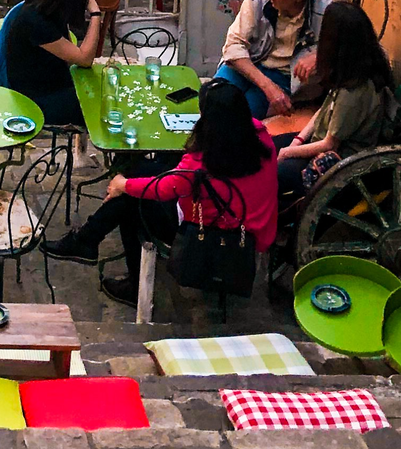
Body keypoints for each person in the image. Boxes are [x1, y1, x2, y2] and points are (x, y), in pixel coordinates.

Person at [48, 78, 278, 305]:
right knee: (144, 173)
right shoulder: (260, 136)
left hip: (212, 235)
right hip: (254, 227)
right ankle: (87, 239)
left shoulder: (200, 163)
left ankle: (128, 281)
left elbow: (162, 189)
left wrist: (121, 184)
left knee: (131, 200)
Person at [276, 1, 400, 198]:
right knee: (266, 146)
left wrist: (287, 153)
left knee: (276, 172)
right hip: (323, 139)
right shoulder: (355, 72)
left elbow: (329, 144)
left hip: (339, 159)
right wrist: (298, 140)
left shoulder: (354, 92)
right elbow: (323, 111)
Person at [0, 0, 105, 127]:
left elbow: (70, 52)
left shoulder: (43, 7)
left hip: (50, 84)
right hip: (35, 99)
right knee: (102, 105)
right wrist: (96, 14)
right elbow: (84, 59)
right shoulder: (36, 21)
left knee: (104, 90)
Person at [215, 0, 330, 119]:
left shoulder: (326, 12)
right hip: (250, 62)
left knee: (242, 116)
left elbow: (355, 51)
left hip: (285, 75)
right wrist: (268, 87)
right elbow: (233, 45)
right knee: (212, 97)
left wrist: (320, 57)